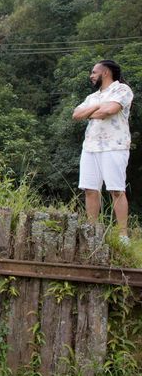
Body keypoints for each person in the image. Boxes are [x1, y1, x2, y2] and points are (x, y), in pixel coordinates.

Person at [72, 60, 134, 244]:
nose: (91, 76)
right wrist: (97, 108)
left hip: (114, 146)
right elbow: (76, 114)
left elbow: (110, 110)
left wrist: (90, 112)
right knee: (90, 190)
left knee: (116, 190)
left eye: (94, 72)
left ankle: (123, 235)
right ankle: (92, 230)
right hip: (90, 147)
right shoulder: (93, 97)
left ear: (105, 72)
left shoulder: (122, 90)